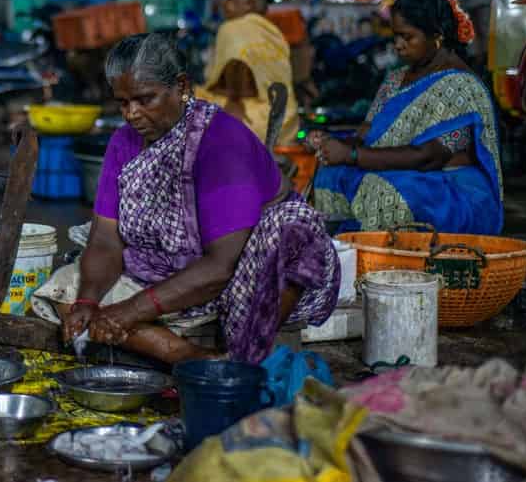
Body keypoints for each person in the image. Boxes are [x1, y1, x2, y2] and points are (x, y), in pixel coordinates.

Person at [31, 32, 339, 364]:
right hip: (161, 272)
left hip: (233, 276)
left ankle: (182, 349)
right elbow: (106, 239)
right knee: (64, 293)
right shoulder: (123, 142)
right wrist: (89, 302)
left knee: (287, 230)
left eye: (144, 99)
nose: (131, 113)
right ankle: (189, 356)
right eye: (123, 102)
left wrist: (130, 312)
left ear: (181, 87)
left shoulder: (220, 143)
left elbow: (221, 265)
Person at [311, 0, 503, 234]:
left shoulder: (461, 86)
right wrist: (331, 144)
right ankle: (342, 254)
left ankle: (376, 259)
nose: (398, 45)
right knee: (330, 175)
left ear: (437, 35)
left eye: (408, 37)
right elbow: (367, 135)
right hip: (404, 173)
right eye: (395, 36)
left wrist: (351, 155)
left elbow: (429, 156)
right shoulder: (396, 78)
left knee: (380, 191)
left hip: (449, 187)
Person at [196, 0, 300, 145]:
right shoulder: (274, 32)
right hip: (287, 123)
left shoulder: (231, 28)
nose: (224, 3)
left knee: (190, 98)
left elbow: (237, 88)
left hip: (253, 124)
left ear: (249, 4)